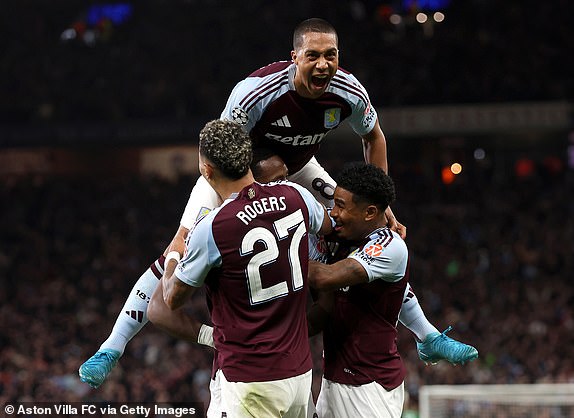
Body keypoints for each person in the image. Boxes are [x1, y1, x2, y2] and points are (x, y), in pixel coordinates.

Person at [79, 17, 476, 388]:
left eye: (331, 55)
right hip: (237, 174)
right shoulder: (256, 93)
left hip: (300, 170)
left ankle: (427, 335)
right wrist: (255, 172)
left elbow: (374, 137)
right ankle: (111, 346)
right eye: (313, 56)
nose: (323, 65)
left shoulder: (349, 92)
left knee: (370, 233)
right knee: (179, 247)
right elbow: (221, 152)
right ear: (295, 59)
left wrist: (382, 199)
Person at [147, 119, 332, 417]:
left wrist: (175, 252)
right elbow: (326, 223)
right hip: (299, 375)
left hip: (250, 382)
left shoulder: (213, 228)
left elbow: (171, 298)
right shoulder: (296, 196)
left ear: (207, 171)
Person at [307, 163, 408, 417]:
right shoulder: (347, 239)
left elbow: (324, 277)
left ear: (369, 212)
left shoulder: (389, 246)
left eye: (341, 205)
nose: (334, 213)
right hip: (334, 378)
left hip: (368, 388)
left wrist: (281, 246)